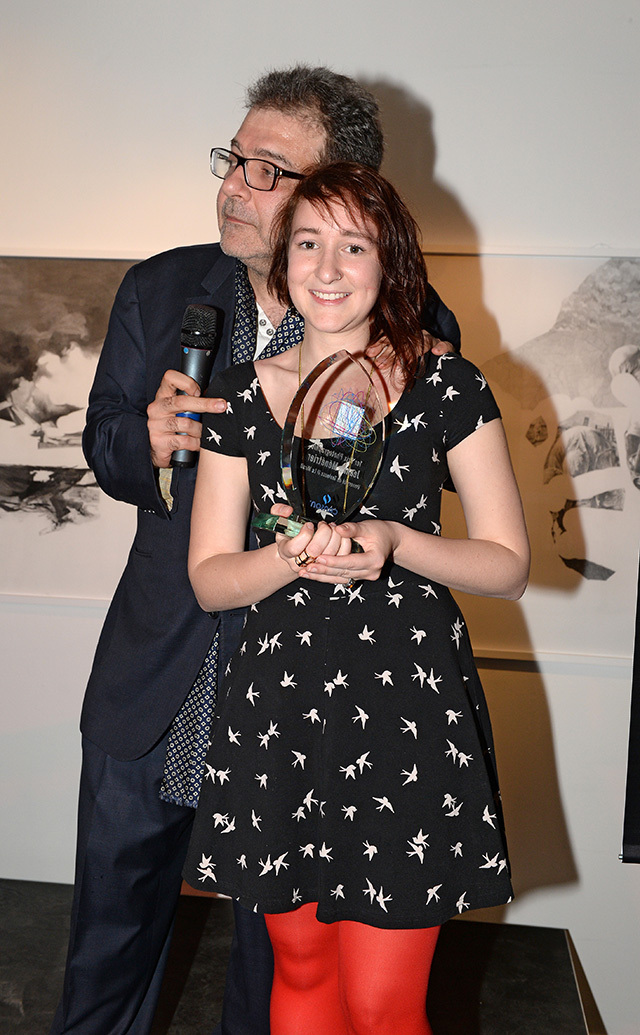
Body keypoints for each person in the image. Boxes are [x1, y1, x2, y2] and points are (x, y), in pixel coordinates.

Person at [50, 67, 460, 1035]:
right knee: (105, 956)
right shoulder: (159, 289)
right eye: (233, 159)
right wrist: (140, 441)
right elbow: (103, 440)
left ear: (341, 190)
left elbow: (424, 499)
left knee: (277, 977)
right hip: (150, 681)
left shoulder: (408, 325)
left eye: (266, 169)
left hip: (299, 695)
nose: (233, 184)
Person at [182, 163, 530, 1034]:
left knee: (382, 1000)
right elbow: (210, 575)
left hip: (403, 717)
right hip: (278, 715)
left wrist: (393, 541)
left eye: (353, 245)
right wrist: (291, 560)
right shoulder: (242, 400)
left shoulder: (447, 387)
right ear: (284, 258)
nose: (327, 267)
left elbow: (508, 563)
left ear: (391, 262)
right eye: (307, 243)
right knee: (298, 970)